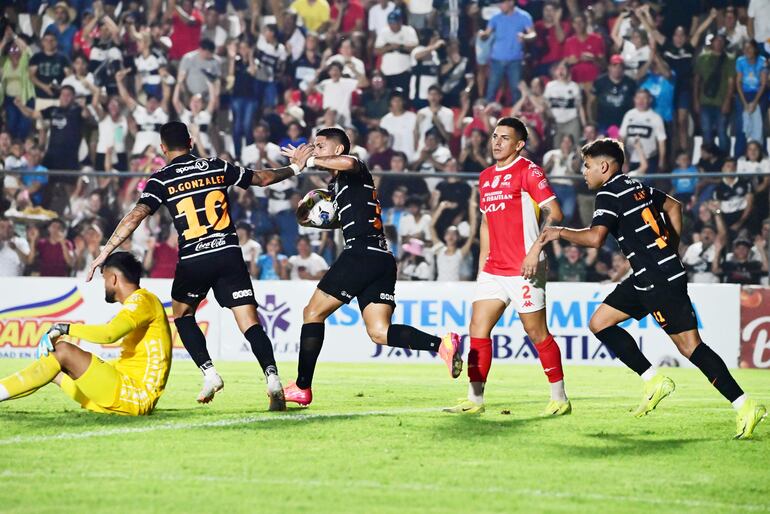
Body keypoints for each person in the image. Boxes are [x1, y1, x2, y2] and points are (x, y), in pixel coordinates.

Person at [540, 138, 766, 439]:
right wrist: (668, 249)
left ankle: (744, 405)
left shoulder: (608, 193)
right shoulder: (637, 186)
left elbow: (595, 238)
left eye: (588, 165)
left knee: (690, 347)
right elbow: (675, 206)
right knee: (600, 322)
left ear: (604, 167)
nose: (584, 171)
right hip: (653, 274)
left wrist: (559, 232)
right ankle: (653, 381)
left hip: (656, 279)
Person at [85, 121, 314, 410]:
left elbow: (136, 215)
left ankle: (210, 374)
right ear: (191, 142)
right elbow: (262, 178)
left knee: (182, 315)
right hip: (228, 253)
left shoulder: (161, 179)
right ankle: (272, 378)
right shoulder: (216, 165)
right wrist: (295, 168)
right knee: (249, 322)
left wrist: (106, 251)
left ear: (162, 148)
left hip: (194, 258)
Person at [280, 127, 462, 406]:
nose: (314, 150)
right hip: (381, 258)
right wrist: (321, 218)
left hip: (361, 254)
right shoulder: (339, 187)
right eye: (313, 147)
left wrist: (308, 161)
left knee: (312, 313)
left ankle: (302, 387)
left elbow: (350, 163)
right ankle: (441, 345)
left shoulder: (355, 168)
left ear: (338, 149)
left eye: (319, 146)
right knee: (379, 331)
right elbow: (351, 215)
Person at [444, 117, 569, 417]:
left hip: (526, 267)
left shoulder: (529, 170)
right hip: (494, 269)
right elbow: (486, 223)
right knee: (478, 329)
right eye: (494, 136)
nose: (496, 142)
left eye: (504, 138)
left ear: (519, 144)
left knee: (536, 332)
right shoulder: (486, 176)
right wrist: (481, 268)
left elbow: (556, 212)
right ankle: (474, 399)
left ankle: (560, 398)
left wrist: (534, 252)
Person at [0, 252, 172, 416]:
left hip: (135, 395)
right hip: (126, 393)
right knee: (54, 368)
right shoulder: (143, 302)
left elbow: (109, 334)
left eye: (104, 279)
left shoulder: (142, 300)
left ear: (113, 279)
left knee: (63, 351)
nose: (104, 285)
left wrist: (64, 328)